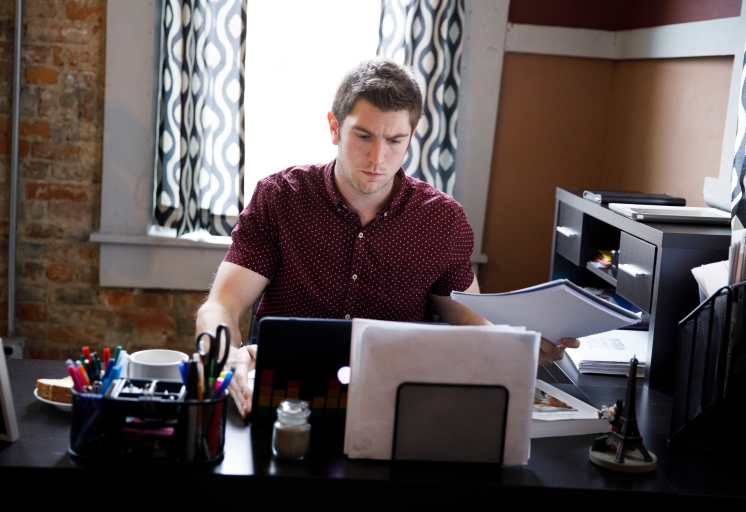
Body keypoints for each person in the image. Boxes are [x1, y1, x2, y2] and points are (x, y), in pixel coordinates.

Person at [196, 57, 579, 417]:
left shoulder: (441, 219)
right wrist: (224, 355)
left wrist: (521, 343)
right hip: (282, 395)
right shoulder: (281, 197)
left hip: (393, 401)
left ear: (411, 137)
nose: (378, 158)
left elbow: (466, 313)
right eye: (363, 136)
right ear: (334, 127)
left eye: (395, 141)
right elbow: (222, 306)